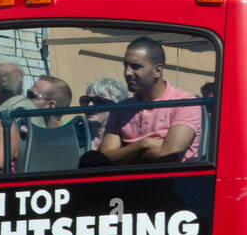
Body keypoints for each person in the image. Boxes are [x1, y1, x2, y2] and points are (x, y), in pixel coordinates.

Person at [83, 37, 201, 166]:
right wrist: (143, 144)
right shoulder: (121, 107)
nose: (127, 72)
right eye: (125, 65)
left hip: (173, 182)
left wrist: (123, 153)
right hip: (127, 182)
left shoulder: (184, 102)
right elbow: (105, 157)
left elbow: (168, 154)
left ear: (157, 71)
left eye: (135, 66)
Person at [81, 78, 130, 149]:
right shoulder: (74, 135)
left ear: (116, 106)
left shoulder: (127, 138)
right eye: (86, 100)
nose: (90, 105)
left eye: (98, 101)